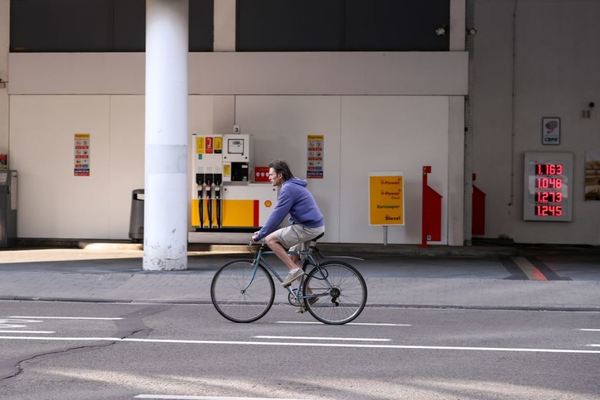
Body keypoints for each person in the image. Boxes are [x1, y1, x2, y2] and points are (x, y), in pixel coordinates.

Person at [252, 160, 325, 287]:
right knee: (292, 259)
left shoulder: (288, 189)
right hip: (313, 226)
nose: (268, 177)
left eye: (271, 174)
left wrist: (261, 234)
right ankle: (308, 296)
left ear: (280, 175)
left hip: (308, 228)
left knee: (270, 240)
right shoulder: (293, 185)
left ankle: (294, 271)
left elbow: (277, 215)